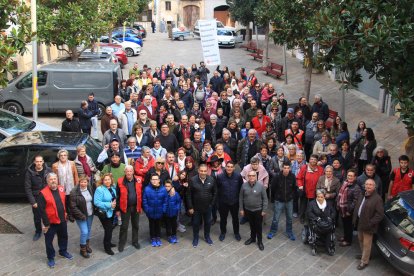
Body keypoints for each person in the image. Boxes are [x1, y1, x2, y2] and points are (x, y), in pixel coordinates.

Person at [37, 173, 73, 268]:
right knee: (49, 241)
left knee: (64, 237)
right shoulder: (42, 193)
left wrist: (67, 213)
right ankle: (51, 257)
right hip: (50, 223)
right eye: (51, 179)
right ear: (47, 181)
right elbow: (41, 210)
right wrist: (46, 224)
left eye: (55, 179)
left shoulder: (61, 188)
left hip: (62, 220)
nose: (53, 181)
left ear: (57, 180)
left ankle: (63, 251)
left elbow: (65, 202)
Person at [353, 179, 384, 270]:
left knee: (367, 244)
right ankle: (365, 255)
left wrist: (370, 223)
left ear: (374, 187)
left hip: (369, 226)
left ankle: (364, 261)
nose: (368, 186)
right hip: (360, 223)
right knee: (360, 240)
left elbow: (380, 215)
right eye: (367, 184)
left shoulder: (378, 199)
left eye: (370, 185)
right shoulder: (363, 194)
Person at [186, 164, 217, 247]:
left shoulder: (211, 179)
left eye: (205, 171)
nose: (203, 172)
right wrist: (190, 207)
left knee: (207, 223)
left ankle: (207, 236)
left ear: (207, 171)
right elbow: (188, 194)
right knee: (196, 223)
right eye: (201, 171)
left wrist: (212, 204)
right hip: (196, 208)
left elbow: (215, 192)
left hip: (208, 207)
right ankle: (195, 238)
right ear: (198, 171)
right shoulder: (192, 180)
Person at [25, 155, 52, 241]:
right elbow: (27, 188)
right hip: (36, 197)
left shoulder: (48, 170)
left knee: (49, 214)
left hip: (47, 196)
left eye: (40, 161)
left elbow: (52, 182)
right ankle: (38, 231)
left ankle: (49, 228)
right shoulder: (29, 172)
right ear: (34, 162)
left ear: (43, 162)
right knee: (37, 217)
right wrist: (33, 202)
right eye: (37, 161)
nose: (39, 163)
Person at [116, 165, 142, 252]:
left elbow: (141, 192)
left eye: (130, 171)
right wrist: (117, 209)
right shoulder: (120, 181)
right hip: (125, 207)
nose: (129, 173)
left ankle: (135, 241)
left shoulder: (138, 179)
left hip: (136, 207)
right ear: (125, 172)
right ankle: (121, 243)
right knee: (124, 226)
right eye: (127, 171)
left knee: (136, 225)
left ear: (133, 172)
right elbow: (118, 196)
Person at [239, 171, 268, 251]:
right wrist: (241, 209)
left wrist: (264, 210)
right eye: (250, 176)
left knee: (258, 227)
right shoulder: (244, 186)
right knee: (251, 225)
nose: (251, 177)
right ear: (247, 176)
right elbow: (241, 198)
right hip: (248, 210)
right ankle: (252, 238)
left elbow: (265, 199)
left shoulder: (260, 186)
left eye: (253, 176)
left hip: (258, 210)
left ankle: (260, 241)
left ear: (256, 177)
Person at [268, 163, 297, 241]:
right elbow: (273, 188)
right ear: (282, 168)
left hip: (289, 200)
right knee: (276, 218)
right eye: (285, 168)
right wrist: (274, 199)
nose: (286, 169)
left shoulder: (292, 177)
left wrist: (292, 196)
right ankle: (272, 231)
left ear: (290, 169)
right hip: (279, 200)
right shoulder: (277, 177)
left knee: (290, 218)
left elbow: (294, 188)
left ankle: (289, 232)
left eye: (288, 168)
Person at [216, 161, 243, 242]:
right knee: (223, 219)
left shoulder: (238, 176)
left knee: (235, 219)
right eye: (228, 166)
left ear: (234, 168)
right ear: (225, 167)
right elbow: (217, 189)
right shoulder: (220, 176)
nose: (229, 168)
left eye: (231, 167)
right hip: (223, 202)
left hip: (234, 202)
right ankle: (223, 232)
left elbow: (240, 188)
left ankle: (236, 233)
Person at [69, 176, 94, 258]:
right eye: (81, 182)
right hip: (81, 216)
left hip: (90, 214)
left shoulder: (89, 188)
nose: (83, 184)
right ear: (79, 182)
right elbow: (73, 207)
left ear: (87, 182)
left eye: (85, 182)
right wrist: (82, 216)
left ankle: (87, 245)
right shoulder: (74, 192)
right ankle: (82, 249)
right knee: (84, 231)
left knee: (89, 229)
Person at [306, 189, 336, 256]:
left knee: (330, 230)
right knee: (315, 228)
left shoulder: (329, 204)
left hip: (327, 223)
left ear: (324, 197)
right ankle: (314, 246)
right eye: (318, 197)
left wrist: (330, 218)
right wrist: (317, 219)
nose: (319, 198)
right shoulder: (312, 204)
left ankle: (328, 247)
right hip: (317, 223)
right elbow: (309, 213)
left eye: (321, 197)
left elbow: (333, 212)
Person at [296, 154, 324, 225]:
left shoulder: (321, 169)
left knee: (313, 206)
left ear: (317, 161)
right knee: (303, 205)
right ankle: (302, 217)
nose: (313, 161)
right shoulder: (304, 168)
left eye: (315, 159)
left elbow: (322, 180)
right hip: (305, 191)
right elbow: (298, 178)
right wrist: (300, 186)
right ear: (309, 160)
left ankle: (311, 218)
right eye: (311, 159)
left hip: (315, 192)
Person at [52, 149, 79, 220]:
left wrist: (77, 186)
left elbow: (75, 175)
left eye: (65, 155)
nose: (63, 157)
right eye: (61, 155)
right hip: (60, 186)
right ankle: (66, 214)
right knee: (63, 201)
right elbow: (54, 177)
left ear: (67, 156)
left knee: (71, 201)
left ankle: (72, 214)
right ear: (59, 156)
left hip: (71, 186)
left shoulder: (72, 163)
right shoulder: (55, 165)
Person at [337, 169, 361, 247]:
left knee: (349, 226)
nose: (349, 177)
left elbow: (355, 201)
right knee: (344, 224)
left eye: (351, 176)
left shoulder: (356, 187)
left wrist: (349, 210)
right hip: (342, 209)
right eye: (348, 175)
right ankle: (345, 237)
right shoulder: (345, 183)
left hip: (348, 210)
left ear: (355, 177)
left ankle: (348, 240)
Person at [94, 173, 117, 255]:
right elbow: (96, 202)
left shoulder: (112, 188)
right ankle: (107, 247)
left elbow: (114, 198)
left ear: (111, 180)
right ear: (102, 181)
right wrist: (109, 205)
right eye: (105, 180)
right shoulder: (99, 189)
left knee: (110, 228)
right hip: (104, 213)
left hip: (112, 211)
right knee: (108, 230)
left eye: (108, 179)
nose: (107, 181)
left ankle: (109, 243)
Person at [143, 173, 168, 247]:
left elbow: (165, 200)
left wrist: (163, 209)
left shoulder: (163, 189)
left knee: (158, 225)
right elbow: (144, 200)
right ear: (150, 180)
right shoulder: (147, 189)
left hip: (160, 211)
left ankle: (158, 237)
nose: (154, 181)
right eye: (153, 179)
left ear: (159, 180)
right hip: (150, 211)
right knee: (152, 225)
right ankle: (153, 238)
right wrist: (147, 210)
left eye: (156, 179)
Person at [164, 179, 181, 243]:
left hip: (174, 212)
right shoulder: (164, 193)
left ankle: (174, 235)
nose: (167, 188)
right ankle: (169, 236)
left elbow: (178, 202)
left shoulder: (175, 194)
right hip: (167, 213)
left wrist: (177, 208)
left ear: (171, 187)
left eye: (168, 186)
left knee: (174, 224)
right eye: (166, 186)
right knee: (168, 225)